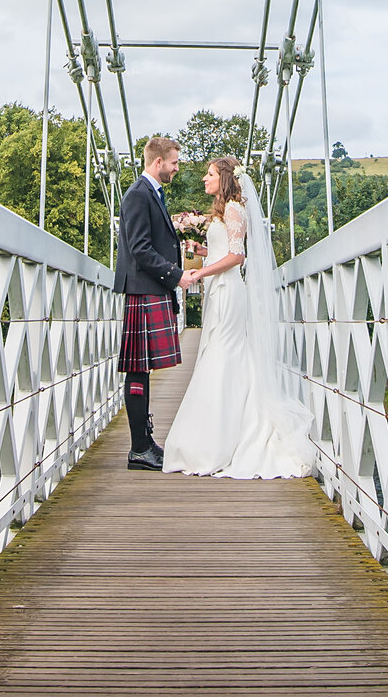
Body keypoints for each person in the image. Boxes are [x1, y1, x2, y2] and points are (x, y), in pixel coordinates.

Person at [161, 155, 314, 479]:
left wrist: (201, 272)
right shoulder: (224, 210)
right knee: (225, 354)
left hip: (229, 292)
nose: (205, 178)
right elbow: (224, 250)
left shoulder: (233, 209)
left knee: (223, 355)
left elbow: (237, 256)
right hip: (221, 290)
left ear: (225, 178)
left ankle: (222, 440)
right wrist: (202, 253)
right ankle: (223, 432)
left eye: (210, 173)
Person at [113, 133, 184, 470]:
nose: (176, 168)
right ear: (158, 162)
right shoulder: (138, 195)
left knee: (141, 369)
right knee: (137, 370)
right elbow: (140, 249)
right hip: (144, 288)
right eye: (174, 162)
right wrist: (175, 274)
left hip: (149, 289)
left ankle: (144, 442)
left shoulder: (150, 194)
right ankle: (139, 447)